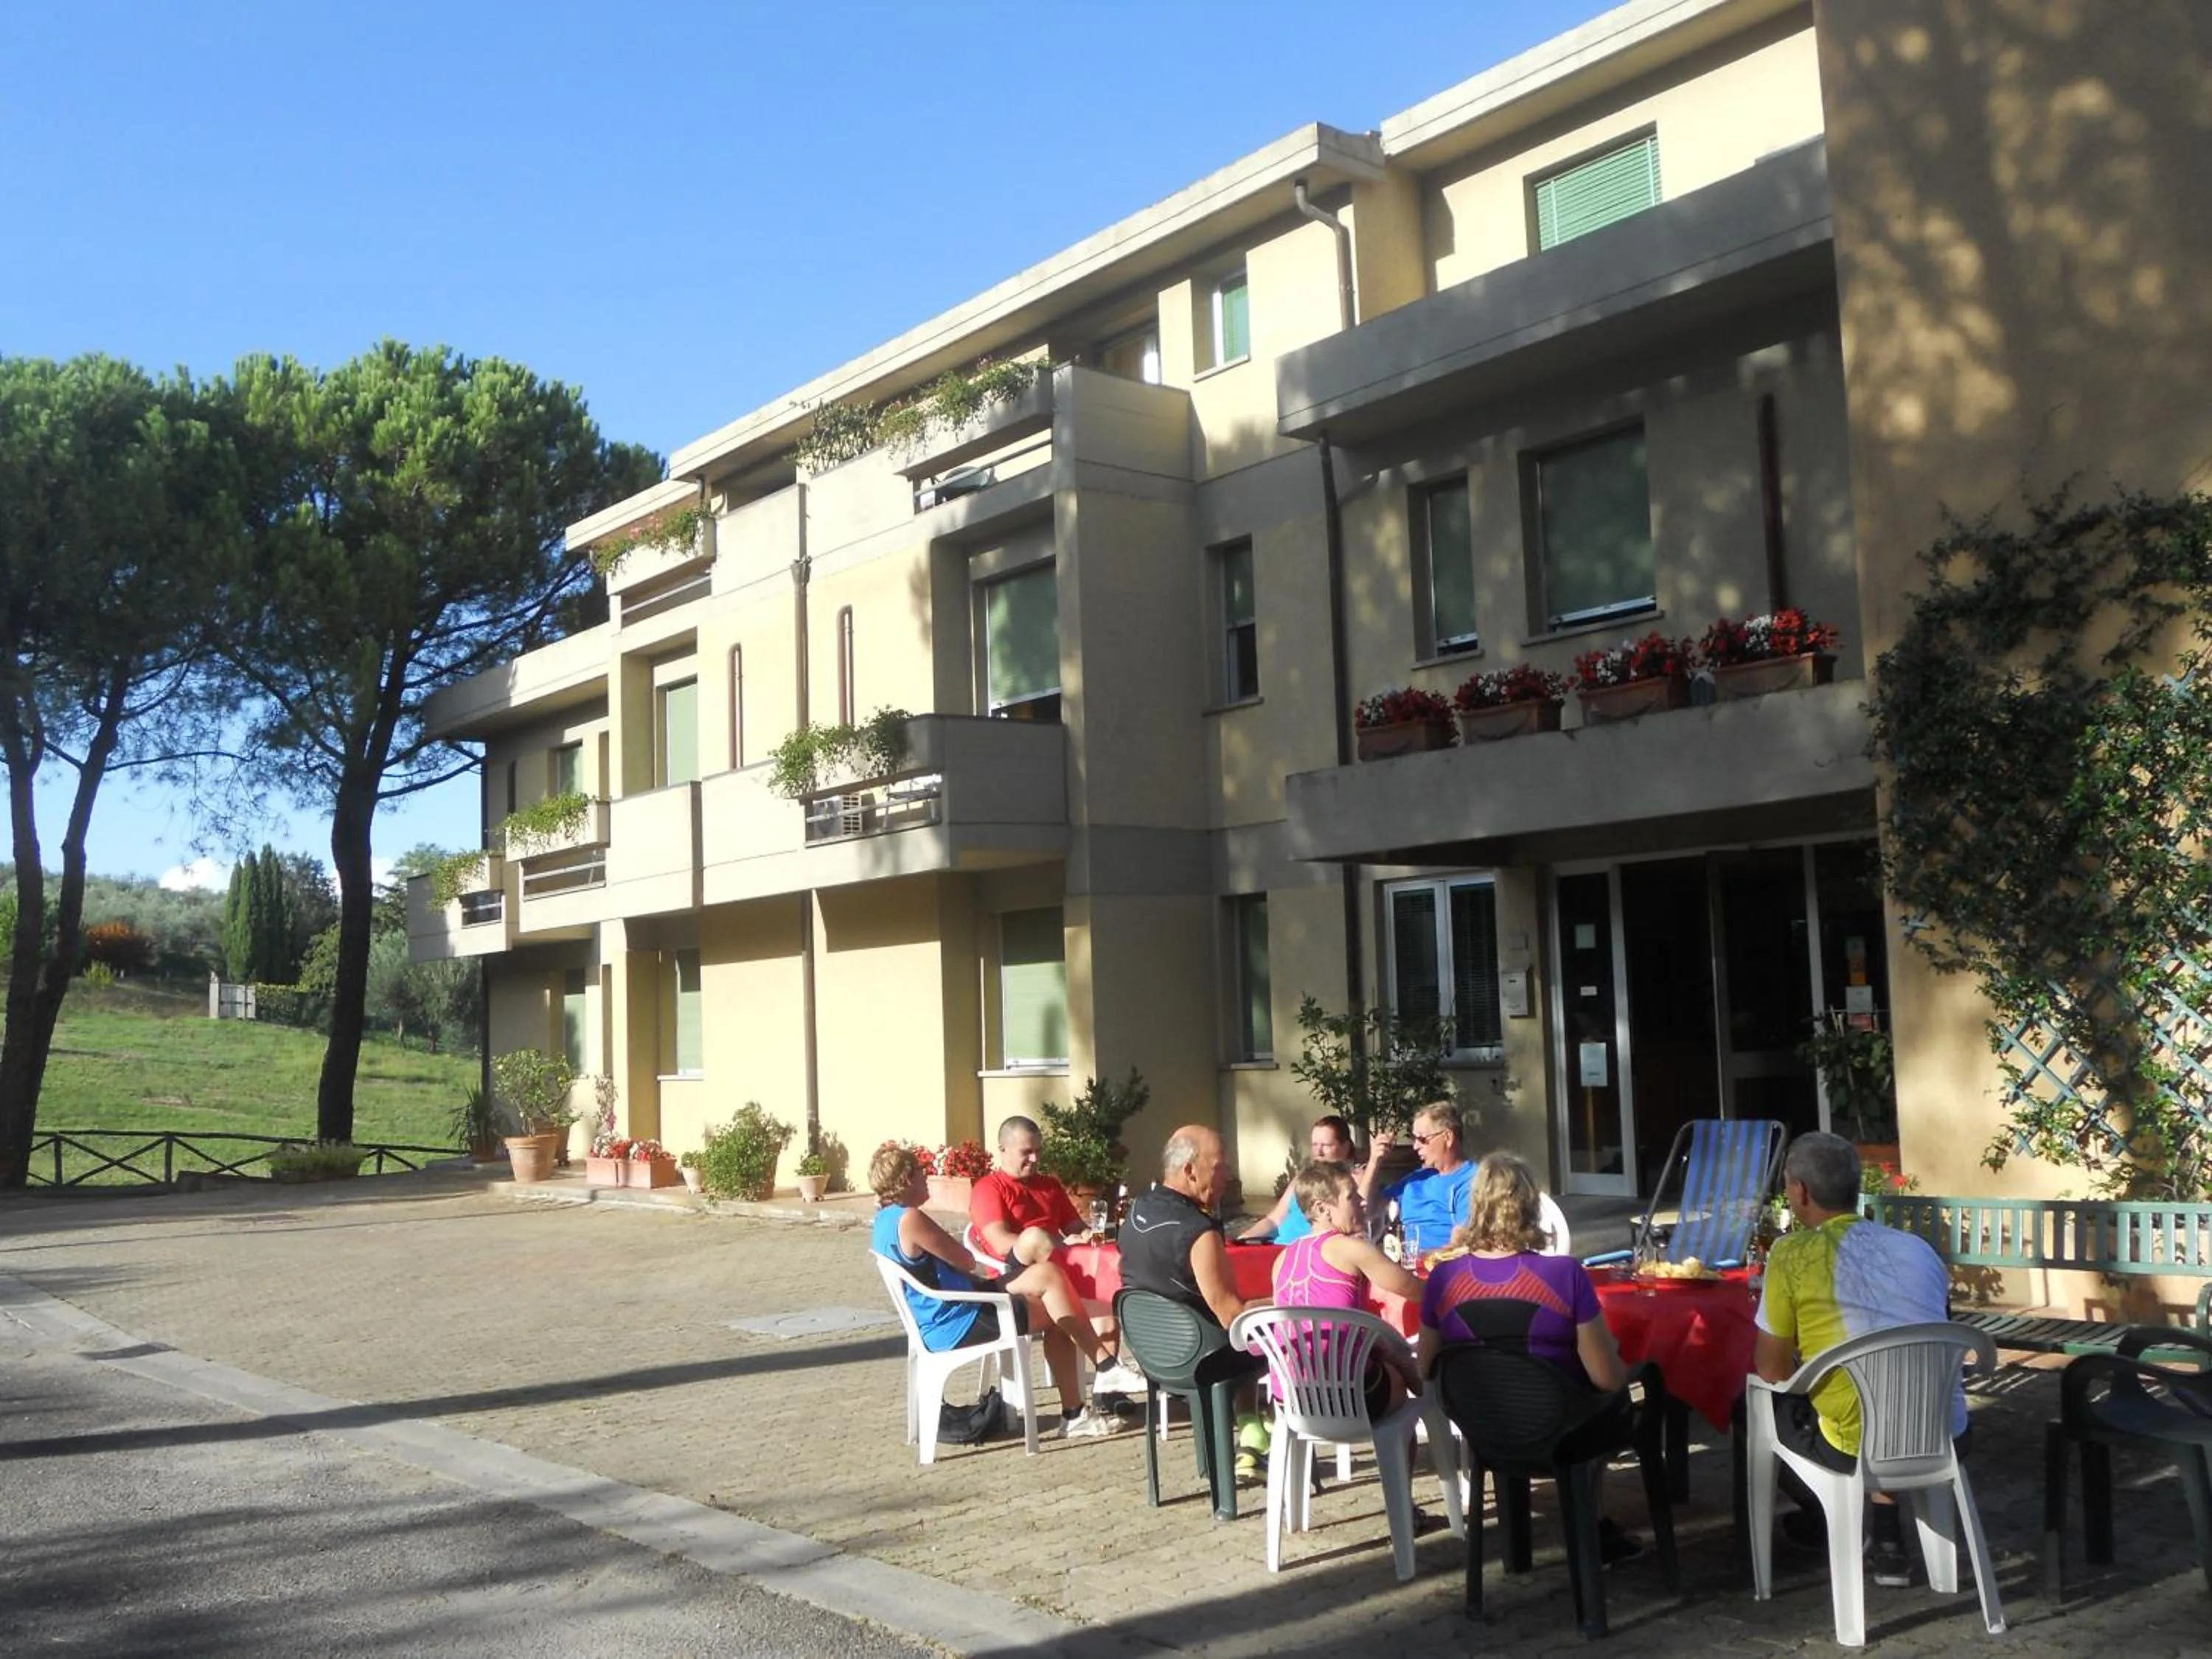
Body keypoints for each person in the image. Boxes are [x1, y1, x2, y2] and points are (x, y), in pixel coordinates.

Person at [1754, 1131, 1963, 1588]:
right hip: (1940, 1429)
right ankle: (1887, 1540)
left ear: (1800, 1192)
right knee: (1881, 1388)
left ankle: (1823, 1517)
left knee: (1759, 1406)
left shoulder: (1792, 1255)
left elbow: (1771, 1371)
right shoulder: (1918, 1249)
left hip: (1855, 1444)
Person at [1418, 1152, 1648, 1565]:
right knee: (1612, 1399)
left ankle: (1541, 1547)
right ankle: (1594, 1529)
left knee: (1565, 1400)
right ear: (1531, 1208)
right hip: (1559, 1432)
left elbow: (1427, 1367)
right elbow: (1607, 1378)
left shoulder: (1442, 1279)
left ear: (1476, 1207)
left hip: (1484, 1430)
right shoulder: (1565, 1274)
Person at [869, 1141, 1140, 1439]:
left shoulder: (884, 1220)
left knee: (1050, 1276)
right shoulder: (910, 1218)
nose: (926, 1178)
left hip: (957, 1302)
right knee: (1061, 1311)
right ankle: (1082, 1402)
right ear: (906, 1180)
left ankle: (1103, 1370)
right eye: (922, 1172)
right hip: (957, 1319)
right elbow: (966, 1260)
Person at [1120, 1124, 1273, 1475]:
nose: (1228, 1177)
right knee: (1282, 1337)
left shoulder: (1137, 1210)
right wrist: (1288, 1301)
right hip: (1198, 1358)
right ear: (1190, 1170)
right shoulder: (1196, 1230)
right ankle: (1277, 1435)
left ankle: (1252, 1432)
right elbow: (1231, 1315)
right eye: (1220, 1167)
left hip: (1152, 1354)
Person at [1271, 1160, 1425, 1416]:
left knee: (1386, 1354)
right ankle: (1406, 1451)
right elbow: (1415, 1290)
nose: (1363, 1202)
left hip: (1290, 1398)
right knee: (1405, 1373)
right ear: (1323, 1209)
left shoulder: (1282, 1259)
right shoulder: (1350, 1248)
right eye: (1352, 1196)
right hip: (1345, 1396)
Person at [1361, 1099, 1479, 1259]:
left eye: (1422, 1139)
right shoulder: (1416, 1179)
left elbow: (1460, 1247)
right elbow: (1363, 1211)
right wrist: (1375, 1161)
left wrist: (1418, 1262)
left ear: (1448, 1137)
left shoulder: (1473, 1180)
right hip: (1405, 1266)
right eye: (1413, 1138)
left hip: (1442, 1271)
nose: (1415, 1146)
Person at [970, 1114, 1089, 1268]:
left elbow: (1076, 1227)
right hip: (1017, 1272)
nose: (1034, 1159)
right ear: (1003, 1150)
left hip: (1061, 1262)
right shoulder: (988, 1188)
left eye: (1038, 1151)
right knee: (1034, 1237)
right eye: (1026, 1152)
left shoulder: (1050, 1185)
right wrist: (1060, 1245)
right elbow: (1001, 1243)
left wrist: (1089, 1236)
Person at [1237, 1116, 1365, 1244]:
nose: (1318, 1152)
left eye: (1326, 1145)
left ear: (1346, 1147)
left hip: (1313, 1253)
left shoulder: (1352, 1181)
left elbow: (1362, 1215)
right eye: (1315, 1145)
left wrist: (1375, 1163)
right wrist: (1242, 1240)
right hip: (1279, 1250)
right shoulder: (1304, 1178)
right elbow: (1274, 1220)